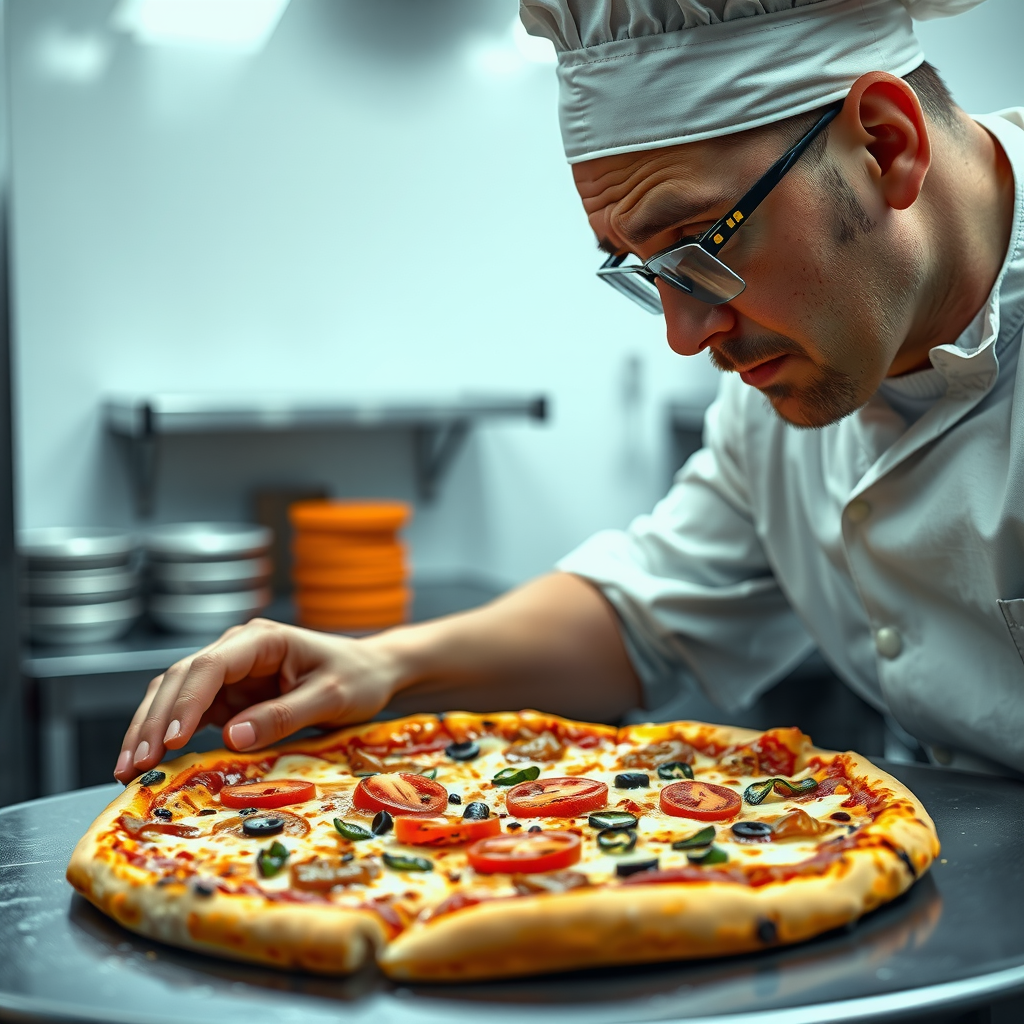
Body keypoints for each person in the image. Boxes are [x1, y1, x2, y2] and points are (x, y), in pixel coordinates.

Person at [115, 0, 1024, 784]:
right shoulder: (789, 381)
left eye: (704, 245)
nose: (683, 334)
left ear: (886, 145)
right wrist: (377, 667)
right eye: (646, 272)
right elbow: (648, 613)